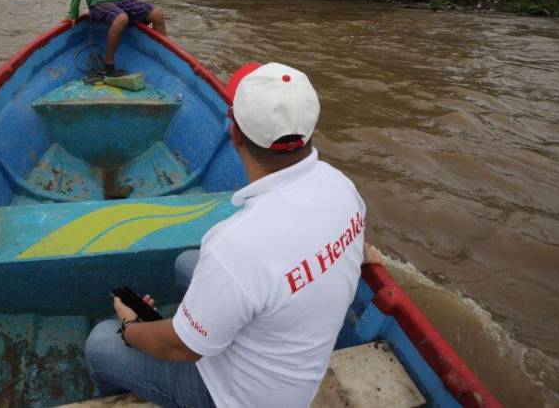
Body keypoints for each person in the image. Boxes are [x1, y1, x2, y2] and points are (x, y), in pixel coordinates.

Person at [84, 62, 380, 407]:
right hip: (292, 372)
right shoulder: (341, 186)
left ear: (235, 134)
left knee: (102, 342)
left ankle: (123, 395)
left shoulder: (234, 244)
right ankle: (203, 318)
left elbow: (182, 348)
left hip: (238, 398)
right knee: (188, 263)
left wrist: (131, 327)